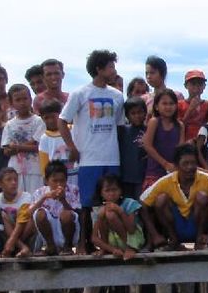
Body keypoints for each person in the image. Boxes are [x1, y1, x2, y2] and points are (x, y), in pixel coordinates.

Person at [59, 50, 126, 222]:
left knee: (113, 200)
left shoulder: (117, 96)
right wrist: (72, 147)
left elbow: (119, 127)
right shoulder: (80, 94)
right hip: (89, 158)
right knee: (88, 202)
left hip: (111, 158)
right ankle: (85, 242)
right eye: (110, 67)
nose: (114, 71)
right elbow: (62, 121)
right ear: (99, 69)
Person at [141, 144, 208, 250]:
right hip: (176, 225)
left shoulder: (206, 179)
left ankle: (199, 241)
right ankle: (174, 241)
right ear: (177, 165)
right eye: (185, 164)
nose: (190, 167)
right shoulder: (166, 181)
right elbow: (143, 205)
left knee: (202, 197)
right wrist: (155, 235)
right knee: (160, 199)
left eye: (193, 163)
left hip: (198, 225)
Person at [26, 160, 82, 255]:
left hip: (68, 229)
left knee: (66, 214)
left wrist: (63, 200)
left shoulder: (73, 189)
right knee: (40, 213)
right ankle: (50, 246)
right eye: (55, 181)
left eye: (62, 180)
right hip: (49, 230)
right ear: (47, 181)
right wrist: (44, 197)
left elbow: (77, 213)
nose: (59, 184)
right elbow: (29, 213)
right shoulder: (40, 192)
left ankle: (67, 247)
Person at [2, 84, 45, 196]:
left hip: (35, 170)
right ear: (11, 103)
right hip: (16, 171)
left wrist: (17, 147)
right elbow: (6, 150)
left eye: (25, 99)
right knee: (19, 201)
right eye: (18, 100)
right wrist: (27, 146)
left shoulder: (38, 121)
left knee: (35, 198)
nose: (22, 102)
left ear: (30, 99)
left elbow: (39, 147)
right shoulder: (9, 125)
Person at [91, 173, 145, 260]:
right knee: (104, 214)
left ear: (121, 190)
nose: (111, 194)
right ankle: (105, 249)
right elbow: (94, 238)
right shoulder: (98, 209)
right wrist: (112, 250)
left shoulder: (129, 203)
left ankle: (129, 248)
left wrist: (120, 211)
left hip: (133, 240)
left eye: (115, 190)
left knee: (111, 215)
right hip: (114, 244)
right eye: (107, 190)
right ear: (101, 193)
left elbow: (131, 229)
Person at [142, 89, 184, 189]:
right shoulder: (154, 122)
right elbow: (147, 145)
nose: (168, 107)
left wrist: (175, 166)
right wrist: (165, 164)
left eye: (171, 103)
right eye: (164, 103)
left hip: (174, 171)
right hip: (154, 172)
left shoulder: (180, 125)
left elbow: (181, 150)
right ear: (156, 106)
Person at [37, 99, 78, 190]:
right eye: (46, 118)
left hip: (76, 175)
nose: (50, 120)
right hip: (57, 181)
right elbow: (44, 163)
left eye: (53, 116)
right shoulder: (45, 138)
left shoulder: (74, 130)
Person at [0, 167, 33, 257]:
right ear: (0, 184)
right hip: (6, 235)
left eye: (15, 179)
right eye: (9, 180)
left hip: (22, 233)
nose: (13, 183)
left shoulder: (26, 196)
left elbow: (22, 219)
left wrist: (12, 241)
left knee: (30, 217)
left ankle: (15, 248)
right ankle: (21, 247)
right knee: (1, 215)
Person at [118, 97, 147, 200]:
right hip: (126, 177)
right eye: (133, 113)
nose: (137, 116)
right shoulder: (122, 131)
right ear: (127, 116)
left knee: (141, 204)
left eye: (140, 112)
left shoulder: (149, 130)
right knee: (128, 206)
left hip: (143, 176)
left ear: (145, 112)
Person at [178, 70, 208, 142]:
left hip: (202, 144)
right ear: (186, 85)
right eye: (193, 84)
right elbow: (177, 127)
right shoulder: (179, 105)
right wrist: (190, 109)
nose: (197, 87)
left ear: (204, 86)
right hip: (184, 143)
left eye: (200, 84)